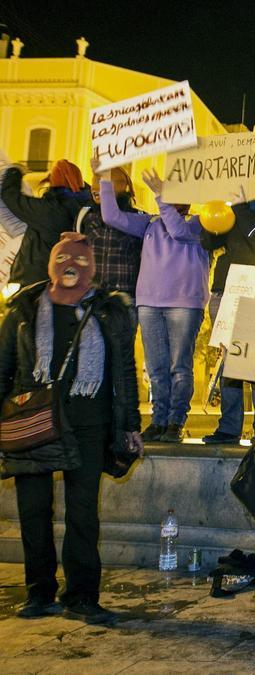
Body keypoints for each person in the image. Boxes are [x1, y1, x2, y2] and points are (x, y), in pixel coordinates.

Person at [0, 233, 142, 623]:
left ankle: (81, 596)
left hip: (89, 426)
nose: (70, 265)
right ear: (50, 264)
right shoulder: (24, 309)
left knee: (83, 514)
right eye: (62, 257)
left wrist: (130, 425)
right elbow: (3, 369)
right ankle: (39, 592)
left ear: (91, 267)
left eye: (79, 260)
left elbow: (124, 373)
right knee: (33, 512)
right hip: (33, 425)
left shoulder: (109, 311)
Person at [98, 168, 209, 443]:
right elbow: (111, 216)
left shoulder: (200, 223)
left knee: (179, 367)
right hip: (149, 303)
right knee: (157, 368)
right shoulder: (149, 223)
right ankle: (159, 421)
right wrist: (102, 179)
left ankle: (175, 421)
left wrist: (160, 195)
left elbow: (178, 231)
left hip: (184, 304)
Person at [200, 172, 255, 445]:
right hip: (227, 293)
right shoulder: (231, 210)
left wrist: (242, 208)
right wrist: (213, 214)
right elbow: (208, 242)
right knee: (229, 363)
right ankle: (229, 428)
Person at [0, 153, 89, 286]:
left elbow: (11, 198)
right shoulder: (84, 209)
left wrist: (15, 171)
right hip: (65, 279)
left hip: (35, 281)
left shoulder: (49, 209)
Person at [84, 159, 143, 327]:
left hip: (124, 298)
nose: (97, 193)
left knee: (121, 350)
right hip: (92, 296)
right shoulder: (86, 217)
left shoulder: (137, 218)